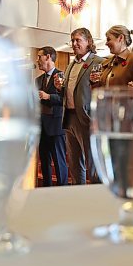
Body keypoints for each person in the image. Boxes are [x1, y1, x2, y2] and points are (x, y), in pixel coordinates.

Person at [54, 27, 103, 184]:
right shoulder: (71, 64)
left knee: (93, 163)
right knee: (74, 163)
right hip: (69, 117)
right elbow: (68, 90)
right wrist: (58, 88)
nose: (74, 43)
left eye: (78, 40)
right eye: (72, 40)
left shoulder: (98, 62)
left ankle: (97, 196)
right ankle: (77, 194)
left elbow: (102, 89)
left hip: (86, 117)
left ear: (88, 42)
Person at [35, 46, 68, 186]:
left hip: (56, 127)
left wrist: (49, 96)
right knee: (44, 165)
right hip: (41, 128)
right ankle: (45, 193)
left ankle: (63, 193)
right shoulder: (38, 80)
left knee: (59, 163)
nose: (37, 60)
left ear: (48, 57)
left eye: (39, 56)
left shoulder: (62, 76)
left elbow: (66, 100)